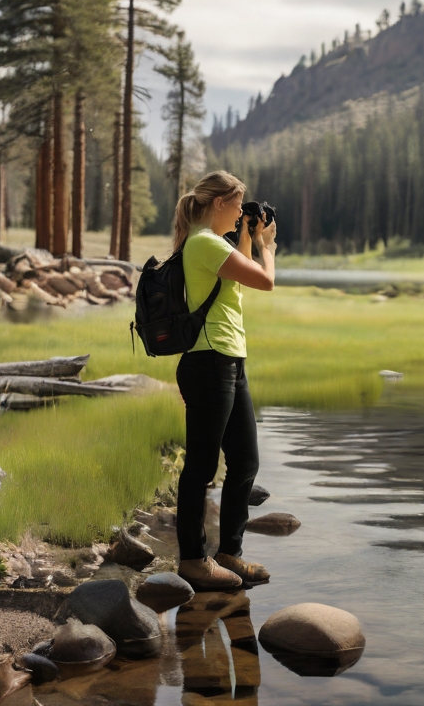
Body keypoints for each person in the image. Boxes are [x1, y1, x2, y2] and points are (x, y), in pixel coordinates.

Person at [173, 170, 276, 591]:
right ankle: (193, 561)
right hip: (207, 362)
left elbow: (241, 271)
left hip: (230, 361)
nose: (240, 214)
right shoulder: (202, 243)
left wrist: (251, 236)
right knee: (200, 467)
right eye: (237, 206)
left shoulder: (215, 245)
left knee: (246, 462)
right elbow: (264, 279)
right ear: (219, 203)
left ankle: (229, 553)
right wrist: (269, 246)